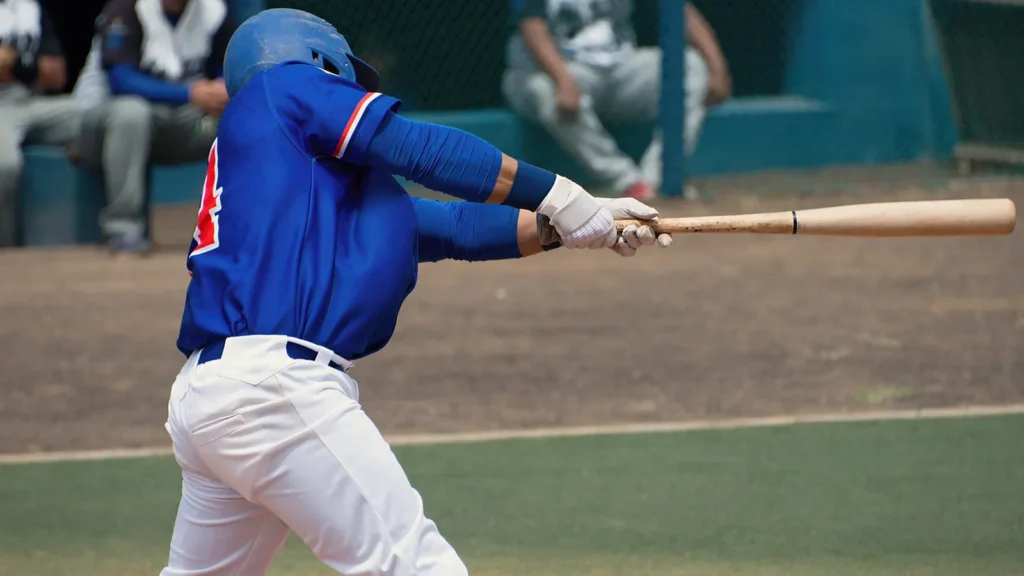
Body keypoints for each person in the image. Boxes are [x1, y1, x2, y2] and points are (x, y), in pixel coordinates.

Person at [162, 8, 673, 576]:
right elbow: (419, 149)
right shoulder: (282, 87)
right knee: (415, 566)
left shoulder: (293, 184)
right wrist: (558, 192)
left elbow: (454, 228)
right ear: (317, 61)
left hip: (212, 399)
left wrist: (583, 221)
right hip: (272, 389)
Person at [503, 0, 730, 200]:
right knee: (544, 89)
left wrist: (718, 68)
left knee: (690, 66)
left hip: (619, 69)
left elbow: (679, 10)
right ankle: (628, 182)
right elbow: (532, 27)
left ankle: (657, 180)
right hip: (550, 70)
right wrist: (563, 80)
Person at [72, 0, 235, 254]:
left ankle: (235, 229)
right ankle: (124, 230)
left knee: (235, 122)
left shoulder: (213, 10)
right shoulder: (126, 8)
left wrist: (221, 90)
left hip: (183, 124)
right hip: (104, 123)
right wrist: (189, 93)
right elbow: (121, 81)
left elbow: (222, 70)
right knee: (131, 114)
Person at [0, 0, 78, 247]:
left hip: (35, 101)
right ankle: (6, 249)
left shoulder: (31, 8)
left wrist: (15, 64)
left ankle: (109, 232)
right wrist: (34, 69)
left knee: (93, 119)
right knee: (4, 164)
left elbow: (57, 76)